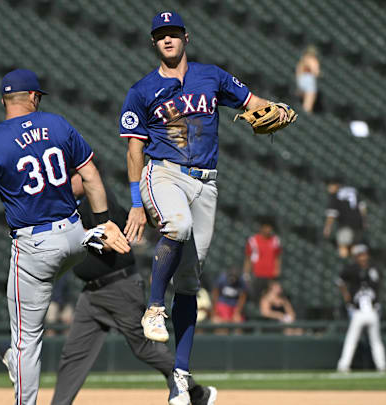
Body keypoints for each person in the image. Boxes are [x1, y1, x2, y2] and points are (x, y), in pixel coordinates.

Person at [119, 11, 293, 405]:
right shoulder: (142, 90)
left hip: (206, 183)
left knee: (192, 284)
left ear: (185, 37)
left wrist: (277, 108)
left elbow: (253, 102)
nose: (167, 39)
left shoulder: (211, 76)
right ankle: (153, 307)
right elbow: (133, 149)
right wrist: (134, 204)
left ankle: (180, 376)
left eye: (173, 33)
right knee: (176, 226)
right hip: (164, 173)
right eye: (160, 35)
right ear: (153, 43)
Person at [0, 68, 130, 405]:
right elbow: (90, 176)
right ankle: (94, 236)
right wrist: (105, 223)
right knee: (68, 250)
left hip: (35, 247)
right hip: (74, 237)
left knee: (26, 341)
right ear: (33, 97)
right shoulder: (57, 124)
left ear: (4, 100)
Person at [48, 174, 216, 405]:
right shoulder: (76, 205)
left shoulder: (97, 200)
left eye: (72, 176)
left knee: (144, 347)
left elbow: (112, 240)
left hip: (118, 286)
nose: (67, 182)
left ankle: (194, 392)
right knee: (74, 353)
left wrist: (77, 233)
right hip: (91, 294)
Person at [335, 245, 386, 373]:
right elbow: (339, 281)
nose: (363, 257)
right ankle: (343, 366)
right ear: (356, 257)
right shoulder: (351, 268)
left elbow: (380, 285)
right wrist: (346, 296)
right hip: (358, 310)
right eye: (360, 255)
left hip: (372, 310)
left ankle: (382, 366)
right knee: (352, 339)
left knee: (376, 340)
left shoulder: (374, 269)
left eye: (364, 254)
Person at [322, 177, 367, 258]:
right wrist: (364, 221)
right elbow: (362, 206)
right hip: (358, 223)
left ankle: (345, 264)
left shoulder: (335, 195)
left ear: (336, 185)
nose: (329, 188)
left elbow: (332, 214)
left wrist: (327, 227)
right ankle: (354, 263)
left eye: (330, 185)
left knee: (343, 247)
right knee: (354, 246)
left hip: (345, 224)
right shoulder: (353, 190)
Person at [243, 218, 283, 301]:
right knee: (255, 297)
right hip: (257, 274)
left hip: (270, 275)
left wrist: (277, 269)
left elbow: (277, 257)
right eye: (266, 227)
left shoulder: (275, 240)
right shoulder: (253, 240)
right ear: (262, 228)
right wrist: (246, 272)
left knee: (269, 298)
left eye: (270, 228)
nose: (268, 230)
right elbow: (248, 258)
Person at [295, 45, 321, 113]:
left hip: (301, 79)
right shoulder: (313, 59)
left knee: (303, 99)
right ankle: (305, 114)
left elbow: (298, 72)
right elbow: (316, 72)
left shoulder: (303, 60)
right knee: (309, 99)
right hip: (309, 78)